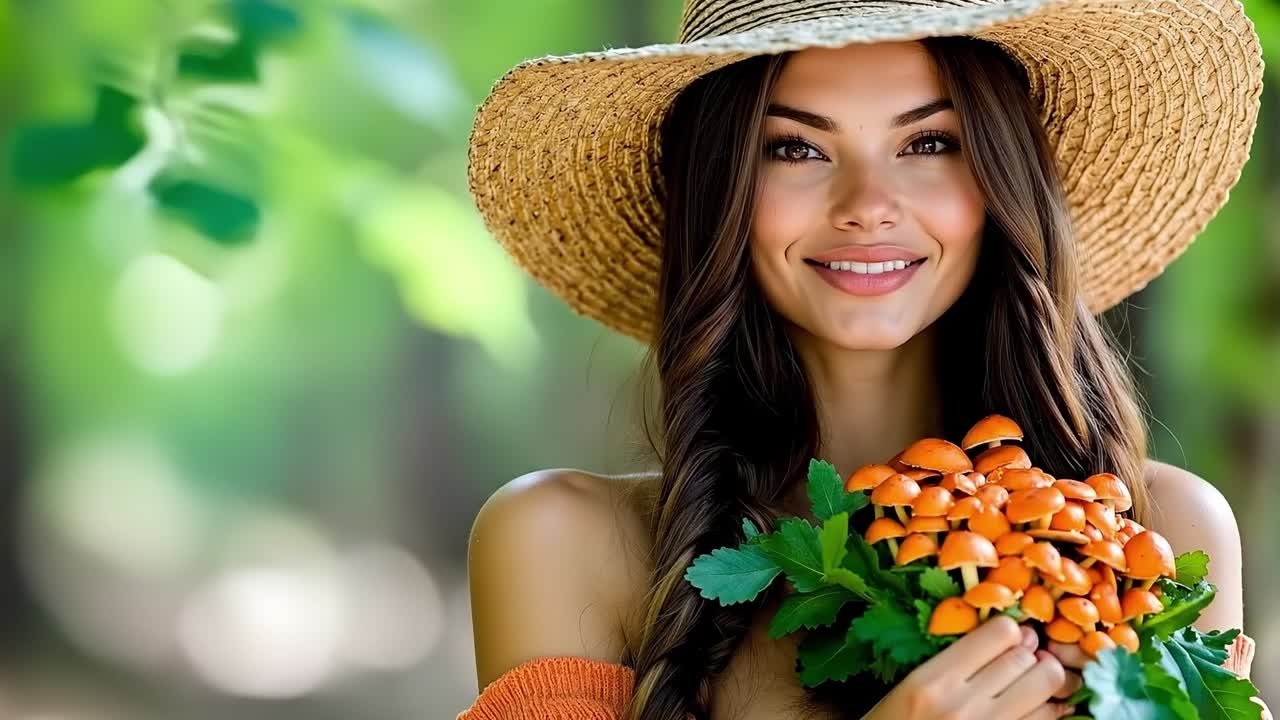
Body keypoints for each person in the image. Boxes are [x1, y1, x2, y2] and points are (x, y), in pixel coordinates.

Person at [458, 1, 1269, 718]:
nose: (868, 206)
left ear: (1002, 180)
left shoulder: (1158, 534)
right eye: (795, 149)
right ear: (721, 188)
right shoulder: (562, 541)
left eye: (929, 141)